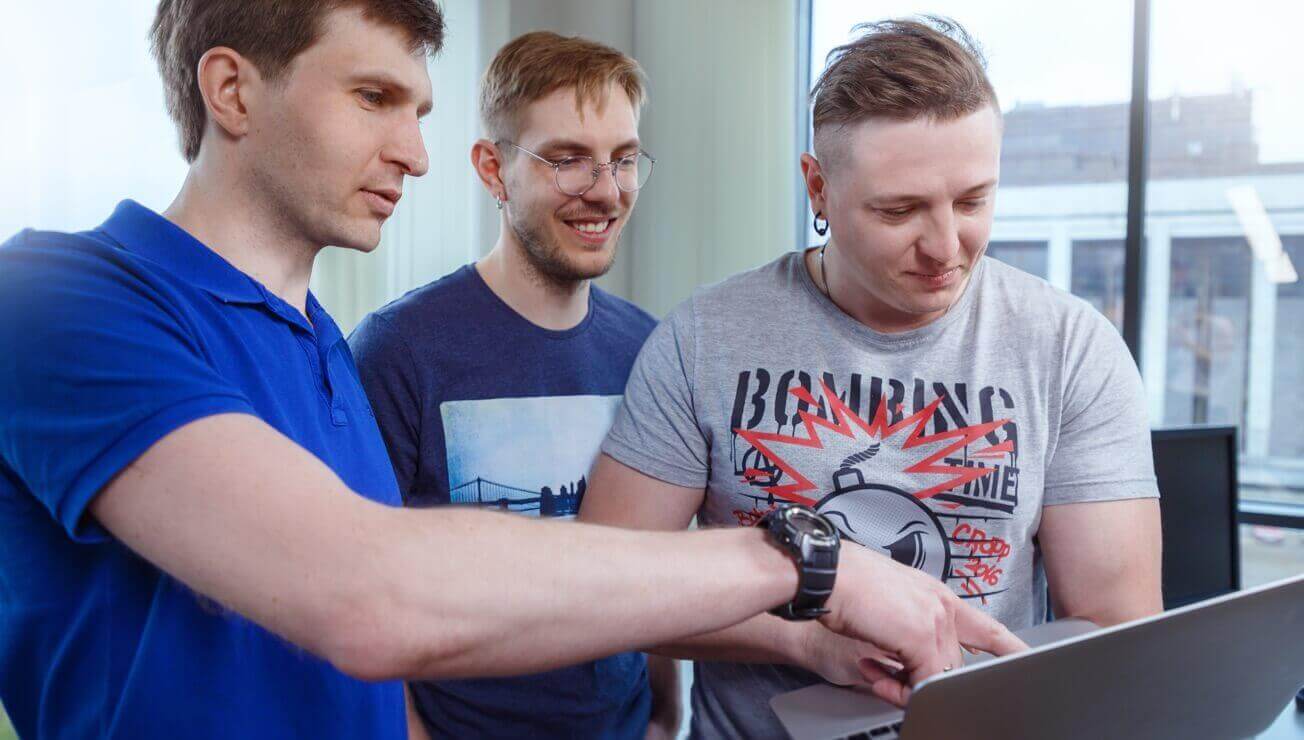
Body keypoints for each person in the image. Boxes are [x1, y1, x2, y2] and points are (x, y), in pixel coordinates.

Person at [0, 4, 1024, 738]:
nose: (415, 153)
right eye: (372, 97)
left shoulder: (315, 342)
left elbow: (462, 624)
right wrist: (812, 566)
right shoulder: (54, 298)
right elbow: (368, 595)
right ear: (231, 89)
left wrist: (789, 648)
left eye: (417, 109)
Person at [580, 17, 1163, 738]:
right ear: (818, 188)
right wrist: (804, 642)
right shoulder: (703, 338)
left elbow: (1115, 632)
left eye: (973, 201)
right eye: (900, 210)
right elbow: (606, 587)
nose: (946, 247)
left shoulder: (1071, 348)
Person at [349, 32, 678, 739]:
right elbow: (356, 591)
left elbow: (652, 568)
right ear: (493, 169)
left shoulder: (652, 349)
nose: (606, 191)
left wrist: (663, 718)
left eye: (623, 159)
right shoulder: (398, 351)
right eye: (568, 160)